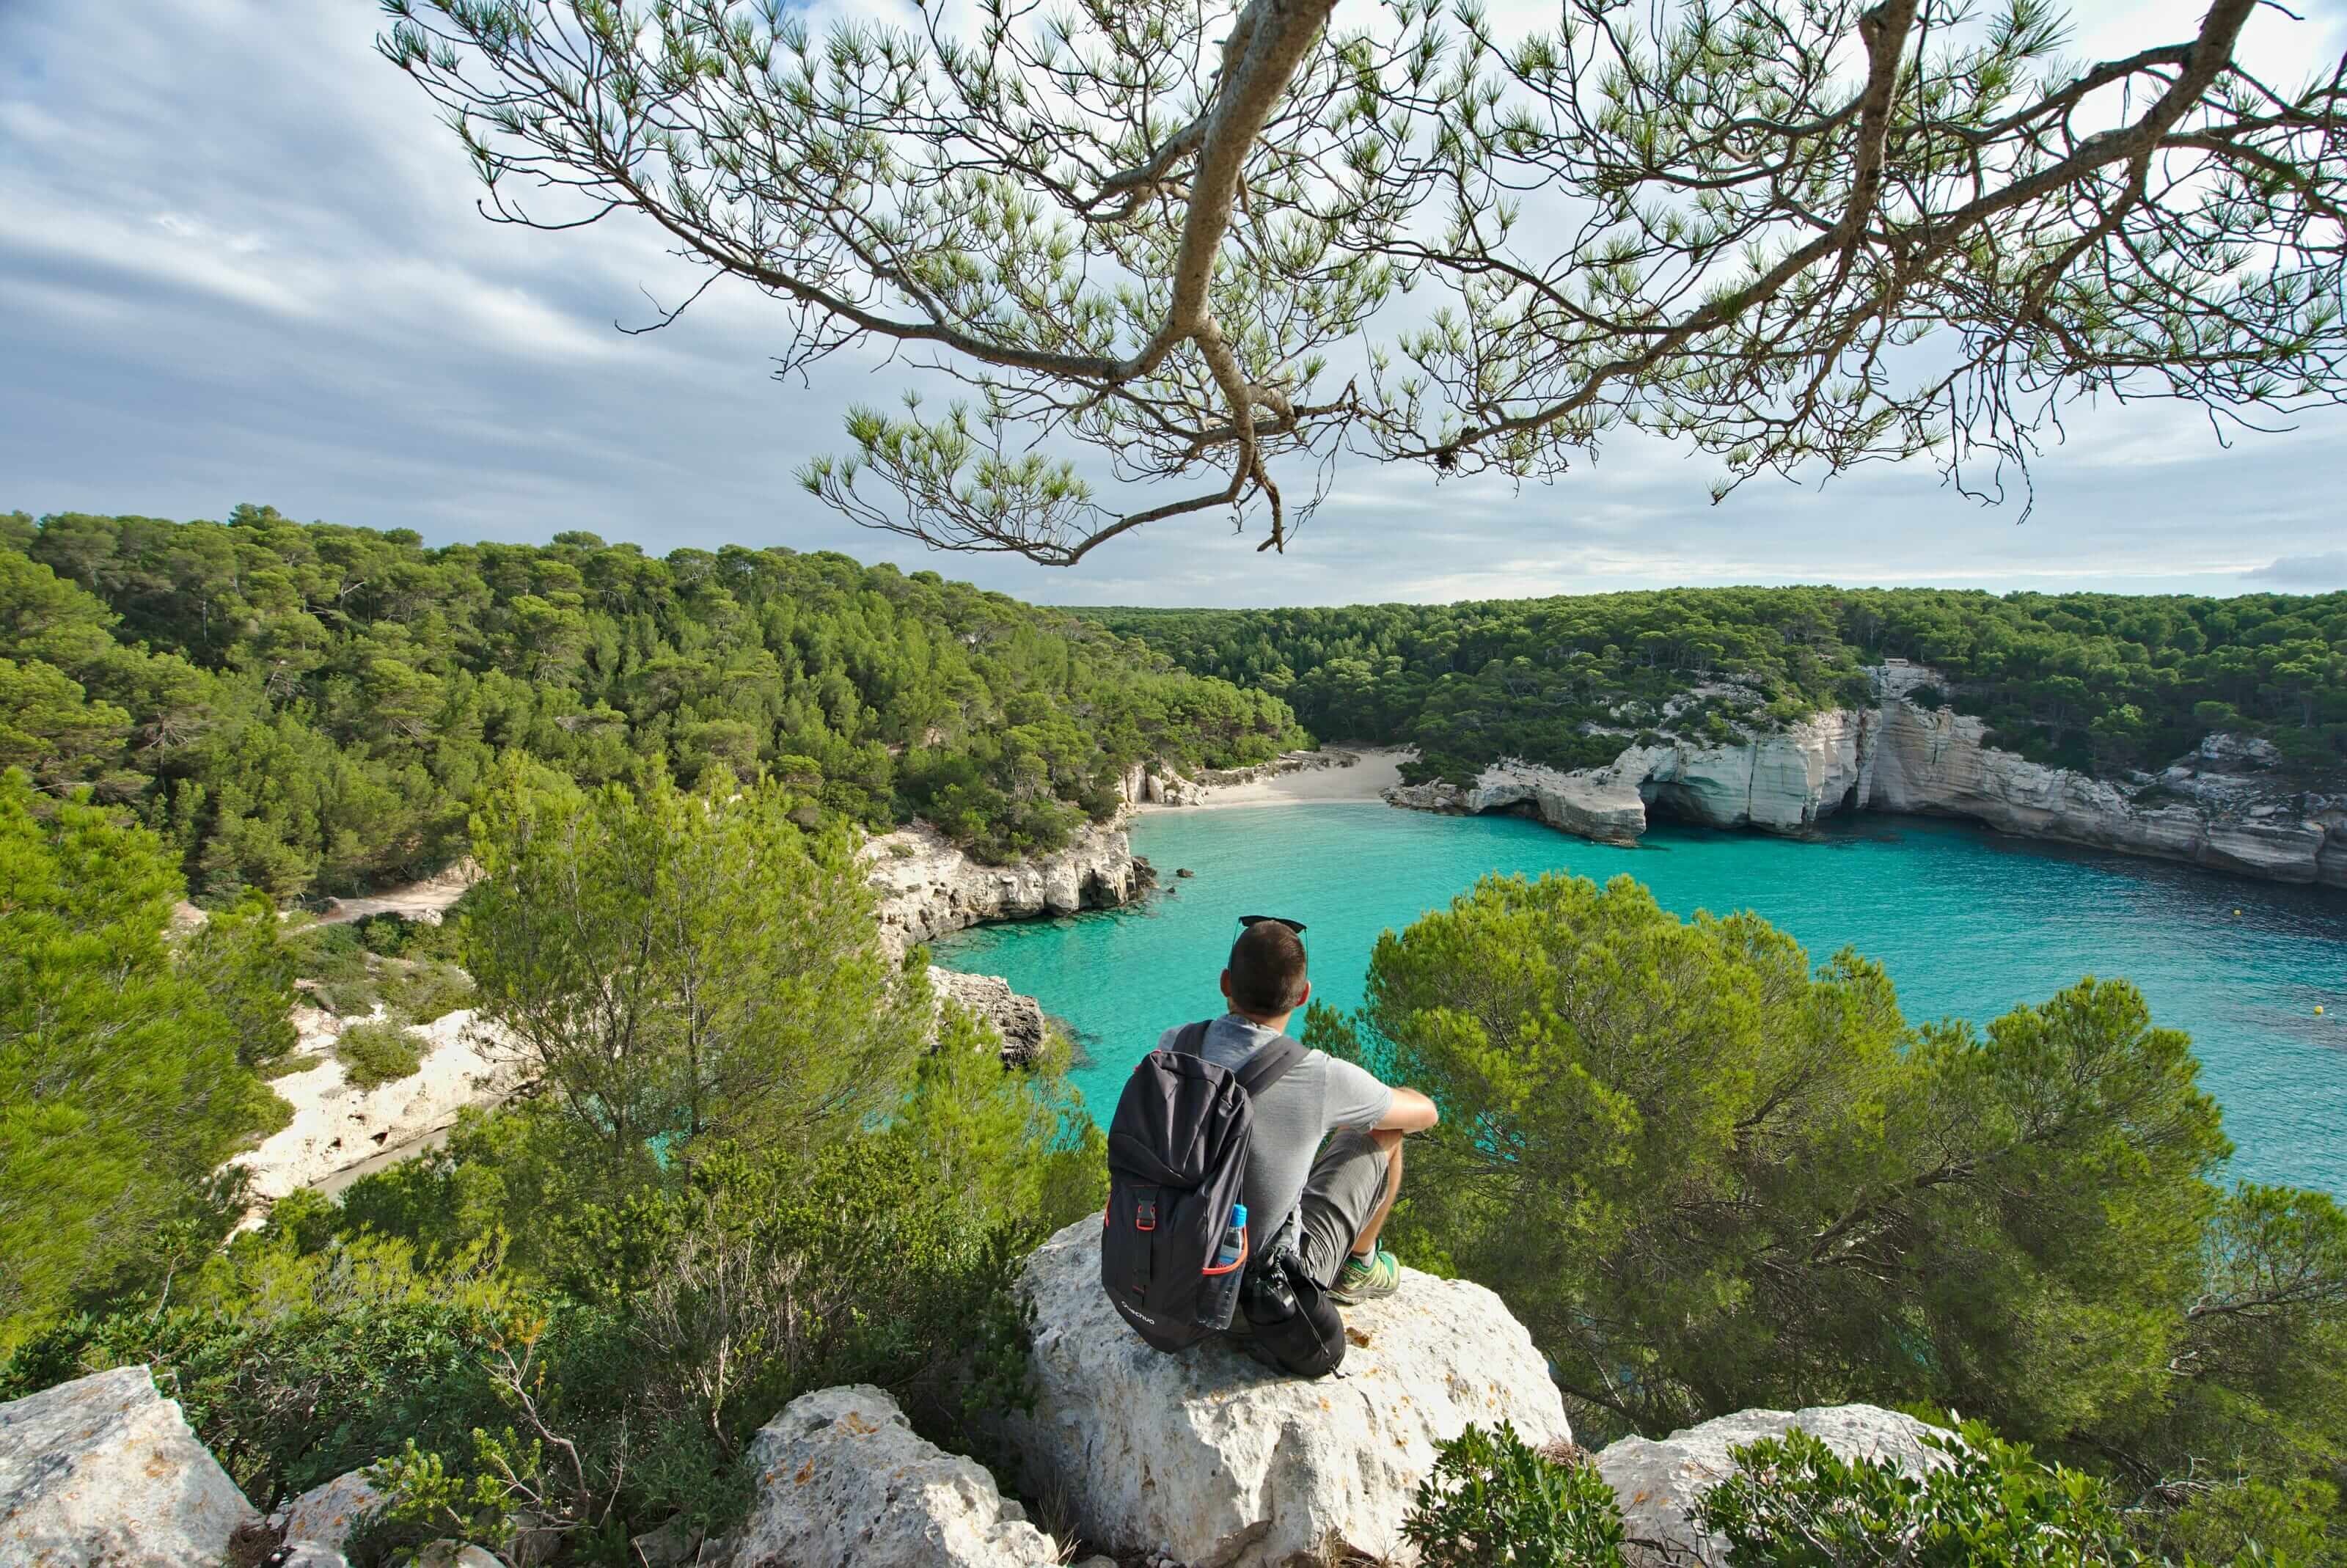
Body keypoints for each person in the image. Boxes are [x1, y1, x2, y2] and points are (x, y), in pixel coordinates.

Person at [1159, 918, 1439, 1305]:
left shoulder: (1174, 1044)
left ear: (1225, 983)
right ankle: (1360, 1266)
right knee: (1384, 1132)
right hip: (1263, 1298)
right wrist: (1384, 1097)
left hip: (1171, 1271)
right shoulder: (1317, 1075)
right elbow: (1427, 1114)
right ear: (1303, 995)